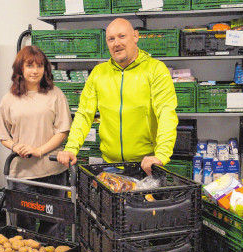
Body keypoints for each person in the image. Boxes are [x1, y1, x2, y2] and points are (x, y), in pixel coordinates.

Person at [57, 18, 178, 175]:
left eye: (122, 36)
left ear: (135, 36)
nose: (116, 43)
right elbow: (84, 115)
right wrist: (71, 148)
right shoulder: (98, 73)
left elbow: (166, 113)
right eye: (111, 39)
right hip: (109, 165)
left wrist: (161, 154)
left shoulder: (155, 70)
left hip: (146, 166)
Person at [0, 45, 72, 239]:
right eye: (30, 65)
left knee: (54, 225)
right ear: (20, 69)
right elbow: (4, 136)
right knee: (25, 229)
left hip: (53, 172)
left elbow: (63, 130)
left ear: (45, 69)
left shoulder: (55, 94)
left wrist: (39, 150)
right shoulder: (9, 99)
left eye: (40, 66)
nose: (35, 70)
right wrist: (15, 146)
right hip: (23, 175)